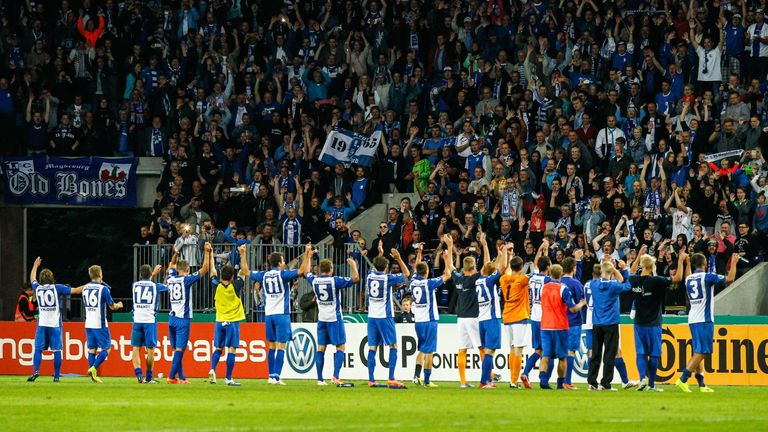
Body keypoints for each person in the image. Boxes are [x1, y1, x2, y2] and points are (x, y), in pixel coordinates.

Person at [242, 244, 312, 385]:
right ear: (280, 263)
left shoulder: (264, 275)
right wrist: (306, 253)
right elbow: (303, 270)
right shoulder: (283, 274)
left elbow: (245, 271)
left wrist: (243, 254)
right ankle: (277, 376)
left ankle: (270, 376)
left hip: (269, 315)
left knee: (271, 346)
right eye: (283, 261)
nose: (284, 263)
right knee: (281, 346)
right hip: (281, 314)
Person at [675, 252, 738, 393]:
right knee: (703, 351)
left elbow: (687, 275)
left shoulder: (689, 279)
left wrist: (686, 263)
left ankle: (702, 384)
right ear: (705, 264)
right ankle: (683, 379)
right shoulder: (708, 277)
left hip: (692, 319)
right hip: (704, 319)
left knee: (699, 351)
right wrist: (734, 262)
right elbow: (730, 279)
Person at [629, 245, 687, 392]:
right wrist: (680, 261)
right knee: (654, 354)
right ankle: (652, 385)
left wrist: (638, 256)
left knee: (641, 353)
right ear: (652, 266)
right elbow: (678, 278)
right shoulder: (656, 281)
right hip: (653, 324)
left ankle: (642, 379)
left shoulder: (634, 280)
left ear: (642, 266)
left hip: (639, 324)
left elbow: (630, 271)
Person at [305, 253, 360, 387]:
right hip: (334, 318)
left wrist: (308, 255)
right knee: (340, 346)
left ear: (319, 269)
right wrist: (353, 265)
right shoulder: (334, 280)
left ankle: (320, 379)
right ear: (331, 269)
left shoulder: (314, 280)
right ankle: (335, 376)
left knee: (321, 348)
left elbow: (306, 272)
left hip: (322, 319)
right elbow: (356, 279)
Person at [27, 257, 83, 382]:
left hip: (42, 324)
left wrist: (35, 266)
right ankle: (56, 376)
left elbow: (32, 279)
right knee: (57, 350)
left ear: (41, 279)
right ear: (52, 278)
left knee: (38, 349)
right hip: (54, 324)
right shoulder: (57, 288)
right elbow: (76, 290)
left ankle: (36, 371)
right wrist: (89, 285)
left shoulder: (38, 288)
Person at [165, 242, 212, 384]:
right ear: (187, 269)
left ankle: (182, 378)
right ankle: (171, 376)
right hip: (182, 319)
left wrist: (175, 254)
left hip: (171, 318)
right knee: (180, 349)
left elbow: (171, 265)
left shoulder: (171, 278)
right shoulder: (186, 280)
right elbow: (204, 269)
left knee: (176, 350)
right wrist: (207, 252)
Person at [410, 236, 453, 387]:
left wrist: (419, 253)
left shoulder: (413, 281)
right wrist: (447, 259)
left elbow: (416, 268)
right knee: (429, 352)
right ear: (427, 271)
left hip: (418, 322)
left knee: (422, 348)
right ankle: (427, 381)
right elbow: (447, 275)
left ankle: (416, 376)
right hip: (429, 321)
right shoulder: (428, 283)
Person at [366, 248, 410, 389]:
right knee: (393, 346)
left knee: (372, 347)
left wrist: (380, 254)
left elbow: (376, 266)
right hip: (385, 316)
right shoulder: (387, 278)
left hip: (372, 316)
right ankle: (391, 378)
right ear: (386, 268)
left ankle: (371, 379)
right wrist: (398, 258)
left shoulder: (369, 276)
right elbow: (407, 274)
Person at [539, 264, 586, 389]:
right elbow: (572, 309)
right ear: (561, 274)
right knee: (562, 356)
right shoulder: (563, 288)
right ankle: (560, 383)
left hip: (545, 325)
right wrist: (581, 304)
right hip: (560, 325)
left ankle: (543, 381)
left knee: (546, 355)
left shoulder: (543, 287)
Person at [587, 259, 630, 391]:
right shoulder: (613, 286)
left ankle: (592, 382)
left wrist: (609, 268)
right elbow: (627, 285)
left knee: (595, 354)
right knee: (609, 355)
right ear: (611, 272)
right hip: (610, 323)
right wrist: (622, 270)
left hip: (597, 323)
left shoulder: (593, 284)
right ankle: (605, 383)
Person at [476, 242, 511, 389]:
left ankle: (487, 381)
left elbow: (490, 266)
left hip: (481, 320)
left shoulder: (479, 279)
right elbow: (501, 268)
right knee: (490, 351)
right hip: (492, 319)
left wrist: (498, 254)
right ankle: (485, 381)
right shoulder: (490, 281)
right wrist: (503, 252)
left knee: (487, 350)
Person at [81, 265, 123, 383]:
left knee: (92, 350)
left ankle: (92, 375)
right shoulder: (103, 289)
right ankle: (93, 368)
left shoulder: (85, 288)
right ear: (100, 275)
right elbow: (112, 306)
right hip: (100, 323)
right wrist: (119, 305)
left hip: (88, 323)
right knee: (107, 348)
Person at [209, 257, 246, 386]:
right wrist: (243, 254)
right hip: (232, 322)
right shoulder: (236, 286)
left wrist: (210, 253)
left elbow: (212, 270)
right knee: (231, 350)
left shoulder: (216, 286)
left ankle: (212, 369)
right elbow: (243, 271)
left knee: (218, 348)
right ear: (231, 277)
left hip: (220, 321)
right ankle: (228, 378)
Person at [521, 241, 552, 389]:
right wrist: (545, 251)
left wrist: (541, 248)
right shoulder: (548, 280)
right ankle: (543, 379)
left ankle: (526, 372)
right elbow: (548, 269)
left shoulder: (532, 277)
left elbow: (538, 263)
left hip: (533, 317)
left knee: (537, 350)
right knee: (547, 351)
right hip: (545, 318)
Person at [452, 241, 483, 388]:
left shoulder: (459, 279)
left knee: (462, 349)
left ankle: (463, 382)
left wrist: (449, 248)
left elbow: (451, 268)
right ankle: (488, 376)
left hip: (461, 318)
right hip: (472, 317)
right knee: (481, 347)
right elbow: (484, 269)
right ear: (473, 267)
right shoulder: (473, 279)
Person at [130, 264, 167, 384]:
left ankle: (139, 374)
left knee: (136, 349)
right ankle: (149, 377)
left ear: (140, 274)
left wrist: (152, 275)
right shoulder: (156, 286)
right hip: (149, 321)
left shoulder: (134, 285)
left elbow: (144, 284)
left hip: (137, 320)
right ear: (151, 274)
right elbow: (166, 287)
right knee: (150, 350)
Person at [500, 255, 529, 389]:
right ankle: (513, 381)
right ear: (521, 267)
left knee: (511, 348)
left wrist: (508, 255)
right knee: (518, 349)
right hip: (518, 317)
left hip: (507, 317)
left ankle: (512, 379)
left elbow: (506, 271)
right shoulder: (522, 279)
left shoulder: (504, 279)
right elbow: (533, 275)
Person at [559, 251, 585, 389]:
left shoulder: (558, 282)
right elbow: (581, 299)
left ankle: (559, 381)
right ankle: (567, 381)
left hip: (559, 322)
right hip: (574, 322)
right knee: (571, 352)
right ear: (574, 268)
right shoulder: (576, 284)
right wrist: (582, 303)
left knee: (561, 352)